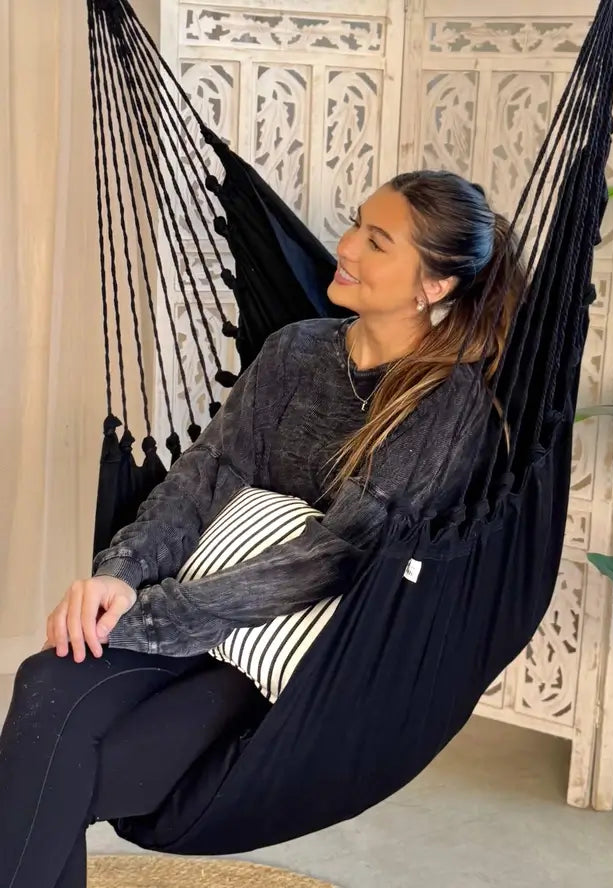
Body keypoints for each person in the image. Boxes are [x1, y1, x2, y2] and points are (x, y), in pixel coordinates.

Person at [0, 170, 524, 888]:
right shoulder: (295, 351)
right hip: (196, 616)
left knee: (64, 776)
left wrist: (157, 617)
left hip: (290, 676)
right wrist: (119, 576)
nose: (345, 247)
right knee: (45, 686)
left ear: (432, 286)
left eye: (377, 241)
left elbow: (335, 556)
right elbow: (202, 478)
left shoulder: (446, 404)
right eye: (356, 225)